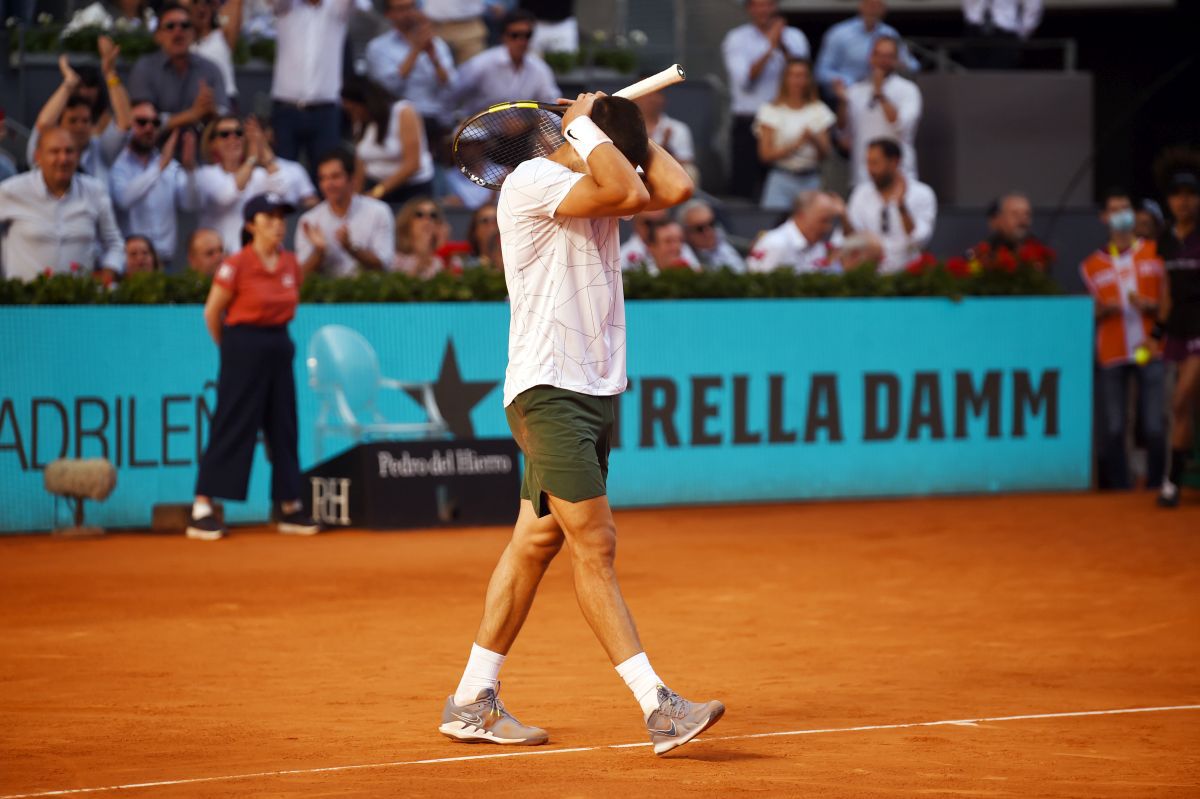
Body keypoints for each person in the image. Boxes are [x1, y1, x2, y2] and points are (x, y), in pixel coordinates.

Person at [439, 90, 723, 755]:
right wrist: (588, 125)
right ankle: (659, 705)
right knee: (595, 545)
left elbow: (674, 186)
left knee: (536, 543)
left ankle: (471, 698)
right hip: (550, 390)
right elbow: (627, 184)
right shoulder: (534, 179)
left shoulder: (598, 175)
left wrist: (620, 128)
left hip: (589, 390)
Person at [186, 192, 320, 541]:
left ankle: (288, 506)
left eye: (281, 217)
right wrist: (232, 350)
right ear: (250, 224)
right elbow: (212, 313)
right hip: (242, 346)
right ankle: (202, 508)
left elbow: (291, 302)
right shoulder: (236, 264)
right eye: (269, 217)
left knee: (284, 426)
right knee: (232, 424)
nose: (278, 224)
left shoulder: (290, 262)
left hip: (278, 345)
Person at [1079, 189, 1166, 491]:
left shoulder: (1156, 253)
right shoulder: (1090, 266)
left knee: (1155, 425)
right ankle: (1120, 490)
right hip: (1113, 350)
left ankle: (1157, 485)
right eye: (1114, 209)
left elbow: (1170, 301)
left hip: (1150, 348)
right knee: (1115, 428)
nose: (1122, 214)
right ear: (1104, 217)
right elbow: (1088, 312)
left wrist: (1153, 307)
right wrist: (1101, 311)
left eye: (1126, 207)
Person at [0, 128, 124, 282]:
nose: (63, 159)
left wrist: (109, 272)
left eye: (69, 151)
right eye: (54, 151)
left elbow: (114, 243)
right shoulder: (11, 191)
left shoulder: (95, 190)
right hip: (25, 301)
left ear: (78, 156)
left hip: (79, 300)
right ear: (38, 157)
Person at [721, 0, 811, 200]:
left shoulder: (794, 37)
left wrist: (783, 46)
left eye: (769, 4)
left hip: (786, 122)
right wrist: (769, 47)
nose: (764, 10)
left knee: (783, 185)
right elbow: (745, 81)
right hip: (749, 121)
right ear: (749, 8)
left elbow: (802, 76)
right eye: (758, 5)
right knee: (745, 186)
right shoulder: (737, 38)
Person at [1150, 159, 1200, 508]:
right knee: (1180, 409)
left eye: (1190, 195)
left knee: (1181, 399)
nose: (1183, 201)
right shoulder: (1165, 240)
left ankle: (1173, 480)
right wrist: (1158, 331)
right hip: (1178, 329)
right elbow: (1167, 289)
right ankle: (1173, 483)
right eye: (1177, 195)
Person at [109, 100, 200, 263]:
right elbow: (123, 199)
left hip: (164, 261)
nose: (149, 128)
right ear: (127, 124)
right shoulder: (117, 163)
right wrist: (158, 168)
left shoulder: (169, 165)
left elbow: (189, 204)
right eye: (142, 122)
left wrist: (190, 170)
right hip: (129, 263)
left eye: (155, 123)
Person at [29, 42, 131, 186]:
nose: (80, 126)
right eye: (73, 121)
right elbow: (44, 124)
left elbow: (125, 123)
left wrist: (110, 74)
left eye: (85, 121)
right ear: (59, 124)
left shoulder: (100, 149)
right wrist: (69, 83)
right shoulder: (45, 149)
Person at [269, 0, 352, 167]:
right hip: (286, 109)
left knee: (327, 171)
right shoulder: (287, 8)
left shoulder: (336, 10)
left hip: (325, 110)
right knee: (283, 172)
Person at [834, 35, 921, 189]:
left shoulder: (908, 90)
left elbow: (900, 125)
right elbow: (843, 134)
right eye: (878, 54)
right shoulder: (855, 90)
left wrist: (880, 93)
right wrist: (842, 102)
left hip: (899, 175)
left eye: (888, 56)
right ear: (870, 57)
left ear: (897, 60)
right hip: (863, 176)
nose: (882, 60)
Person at [365, 1, 457, 143]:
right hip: (398, 122)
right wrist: (415, 51)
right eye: (401, 9)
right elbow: (387, 88)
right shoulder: (378, 48)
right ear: (388, 14)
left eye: (411, 7)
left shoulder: (437, 44)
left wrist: (434, 59)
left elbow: (452, 85)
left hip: (436, 119)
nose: (408, 13)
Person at [128, 2, 228, 133]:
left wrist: (211, 110)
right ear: (157, 36)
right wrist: (192, 115)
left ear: (193, 33)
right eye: (170, 26)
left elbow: (227, 119)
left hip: (201, 151)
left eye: (185, 25)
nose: (178, 31)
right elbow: (141, 123)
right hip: (157, 151)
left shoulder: (210, 69)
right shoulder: (145, 68)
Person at [195, 114, 288, 251]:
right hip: (221, 258)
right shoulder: (206, 173)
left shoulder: (258, 174)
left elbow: (282, 192)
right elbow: (225, 196)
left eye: (239, 133)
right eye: (225, 134)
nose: (233, 139)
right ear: (212, 143)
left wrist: (261, 144)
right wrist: (251, 160)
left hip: (256, 258)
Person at [296, 150, 395, 278]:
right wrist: (319, 252)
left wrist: (351, 248)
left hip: (371, 293)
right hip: (326, 295)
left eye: (335, 177)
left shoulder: (379, 212)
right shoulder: (309, 220)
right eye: (323, 178)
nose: (328, 184)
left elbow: (383, 265)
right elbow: (301, 276)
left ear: (352, 179)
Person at [845, 138, 936, 273]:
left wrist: (901, 207)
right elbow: (850, 239)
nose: (870, 170)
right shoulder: (860, 193)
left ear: (894, 162)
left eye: (875, 163)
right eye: (868, 163)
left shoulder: (923, 194)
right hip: (868, 275)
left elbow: (919, 240)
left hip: (908, 274)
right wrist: (842, 216)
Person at [755, 58, 835, 210]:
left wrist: (814, 140)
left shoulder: (819, 110)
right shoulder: (770, 110)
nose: (797, 81)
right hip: (781, 177)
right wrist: (796, 145)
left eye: (802, 75)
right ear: (785, 79)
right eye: (793, 75)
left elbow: (826, 154)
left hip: (810, 178)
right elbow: (764, 155)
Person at [449, 10, 562, 117]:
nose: (521, 41)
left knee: (546, 137)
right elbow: (452, 92)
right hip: (480, 129)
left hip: (524, 132)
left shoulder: (540, 68)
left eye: (527, 35)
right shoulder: (481, 64)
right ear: (503, 37)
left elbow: (552, 105)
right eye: (515, 35)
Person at [341, 78, 436, 205]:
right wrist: (356, 197)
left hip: (411, 189)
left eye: (353, 109)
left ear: (366, 103)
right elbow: (361, 162)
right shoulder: (360, 122)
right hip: (375, 185)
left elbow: (413, 164)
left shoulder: (403, 112)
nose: (351, 114)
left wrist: (378, 192)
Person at [815, 0, 918, 97]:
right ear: (861, 5)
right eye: (870, 4)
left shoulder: (890, 33)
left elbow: (912, 65)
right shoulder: (838, 33)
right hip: (845, 94)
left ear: (884, 9)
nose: (873, 9)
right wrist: (849, 83)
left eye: (877, 5)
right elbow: (820, 71)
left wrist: (900, 64)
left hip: (882, 92)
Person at [747, 190, 844, 273]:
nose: (828, 227)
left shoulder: (820, 246)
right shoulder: (774, 244)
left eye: (830, 221)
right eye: (823, 221)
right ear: (801, 216)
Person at [633, 86, 698, 185]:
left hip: (666, 176)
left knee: (690, 171)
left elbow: (685, 160)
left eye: (656, 93)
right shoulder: (624, 127)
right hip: (635, 175)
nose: (650, 99)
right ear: (634, 97)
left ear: (663, 98)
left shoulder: (677, 128)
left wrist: (665, 149)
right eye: (645, 93)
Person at [185, 0, 243, 106]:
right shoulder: (183, 41)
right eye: (196, 3)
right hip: (193, 104)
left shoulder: (222, 35)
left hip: (225, 101)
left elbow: (236, 2)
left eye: (206, 3)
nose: (201, 8)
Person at [962, 0, 1042, 70]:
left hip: (1005, 32)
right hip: (975, 31)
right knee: (974, 77)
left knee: (1000, 79)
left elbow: (1033, 6)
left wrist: (1021, 32)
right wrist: (971, 19)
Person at [620, 208, 700, 271]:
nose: (656, 227)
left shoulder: (681, 247)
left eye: (661, 221)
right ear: (635, 223)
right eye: (649, 223)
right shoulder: (621, 257)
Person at [680, 199, 746, 272]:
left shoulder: (722, 242)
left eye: (711, 224)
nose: (708, 232)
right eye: (700, 229)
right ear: (686, 233)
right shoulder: (683, 254)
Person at [391, 196, 450, 278]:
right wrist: (423, 258)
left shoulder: (449, 257)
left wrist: (442, 249)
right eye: (419, 214)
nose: (427, 219)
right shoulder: (395, 258)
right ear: (407, 222)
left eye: (433, 215)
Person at [465, 202, 502, 269]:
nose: (492, 226)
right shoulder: (466, 267)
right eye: (485, 221)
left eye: (497, 220)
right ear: (475, 231)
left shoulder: (517, 262)